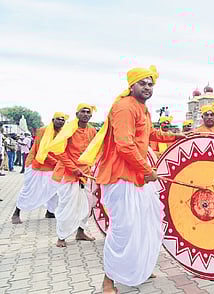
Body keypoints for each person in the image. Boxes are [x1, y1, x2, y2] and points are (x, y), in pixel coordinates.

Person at [77, 65, 183, 293]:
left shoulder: (143, 109)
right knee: (123, 228)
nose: (147, 87)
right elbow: (125, 144)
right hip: (120, 177)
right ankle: (109, 279)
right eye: (142, 83)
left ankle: (139, 267)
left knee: (148, 222)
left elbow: (149, 134)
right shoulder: (124, 107)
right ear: (131, 85)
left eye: (150, 84)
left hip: (137, 177)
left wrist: (175, 136)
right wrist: (147, 169)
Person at [48, 104, 97, 248]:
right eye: (83, 111)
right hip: (69, 173)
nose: (86, 114)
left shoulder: (92, 130)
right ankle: (61, 237)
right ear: (77, 114)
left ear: (91, 116)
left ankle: (80, 232)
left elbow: (95, 150)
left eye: (88, 112)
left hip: (85, 173)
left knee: (86, 205)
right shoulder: (69, 129)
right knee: (66, 206)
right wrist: (73, 168)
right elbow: (60, 152)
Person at [11, 113, 68, 224]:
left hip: (54, 166)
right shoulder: (43, 130)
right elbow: (40, 150)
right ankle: (16, 213)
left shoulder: (63, 133)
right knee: (30, 190)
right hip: (37, 165)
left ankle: (50, 212)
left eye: (63, 120)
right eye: (58, 119)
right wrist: (57, 162)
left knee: (54, 189)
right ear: (53, 120)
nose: (61, 121)